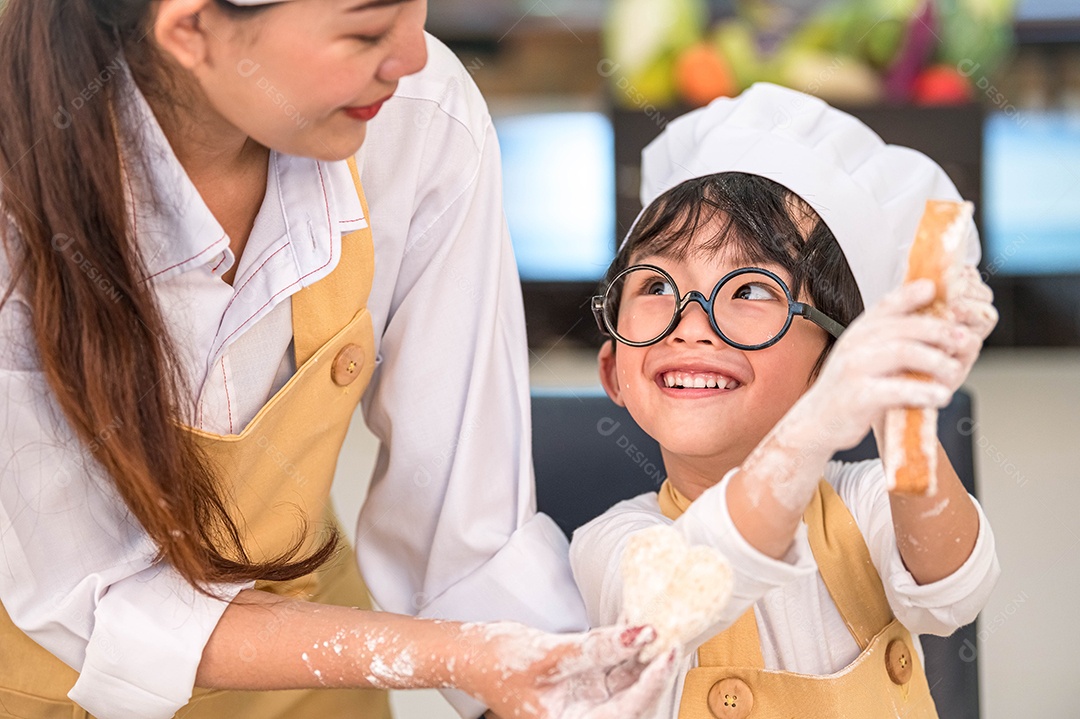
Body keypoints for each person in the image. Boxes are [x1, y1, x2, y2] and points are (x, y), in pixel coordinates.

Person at [0, 1, 676, 717]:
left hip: (309, 675)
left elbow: (464, 528)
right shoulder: (19, 200)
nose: (413, 56)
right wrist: (459, 654)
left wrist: (562, 675)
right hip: (46, 679)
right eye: (364, 30)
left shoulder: (416, 119)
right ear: (190, 28)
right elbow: (103, 606)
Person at [569, 83, 1002, 718]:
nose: (691, 321)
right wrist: (820, 417)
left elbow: (952, 592)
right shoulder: (613, 543)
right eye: (658, 283)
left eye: (749, 291)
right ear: (613, 368)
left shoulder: (865, 504)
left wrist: (903, 402)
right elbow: (678, 598)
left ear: (835, 360)